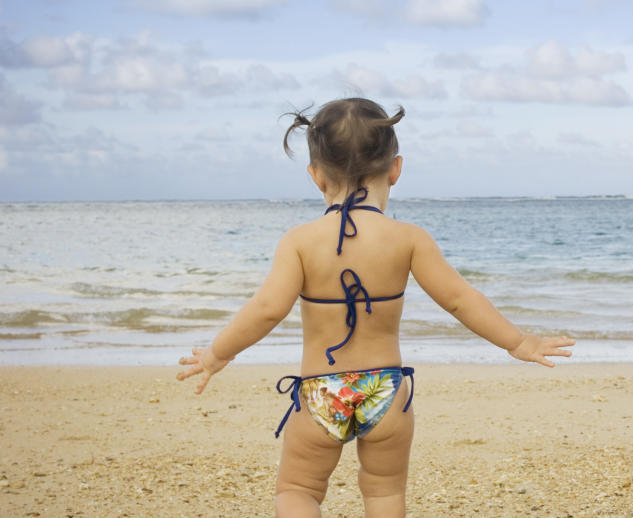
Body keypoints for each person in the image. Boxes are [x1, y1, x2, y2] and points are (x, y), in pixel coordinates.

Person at [176, 97, 574, 518]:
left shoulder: (299, 241)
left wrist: (219, 353)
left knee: (299, 490)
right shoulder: (408, 238)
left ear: (315, 176)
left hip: (321, 392)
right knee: (384, 494)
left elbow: (268, 309)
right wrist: (518, 342)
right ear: (395, 169)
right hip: (386, 391)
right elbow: (460, 300)